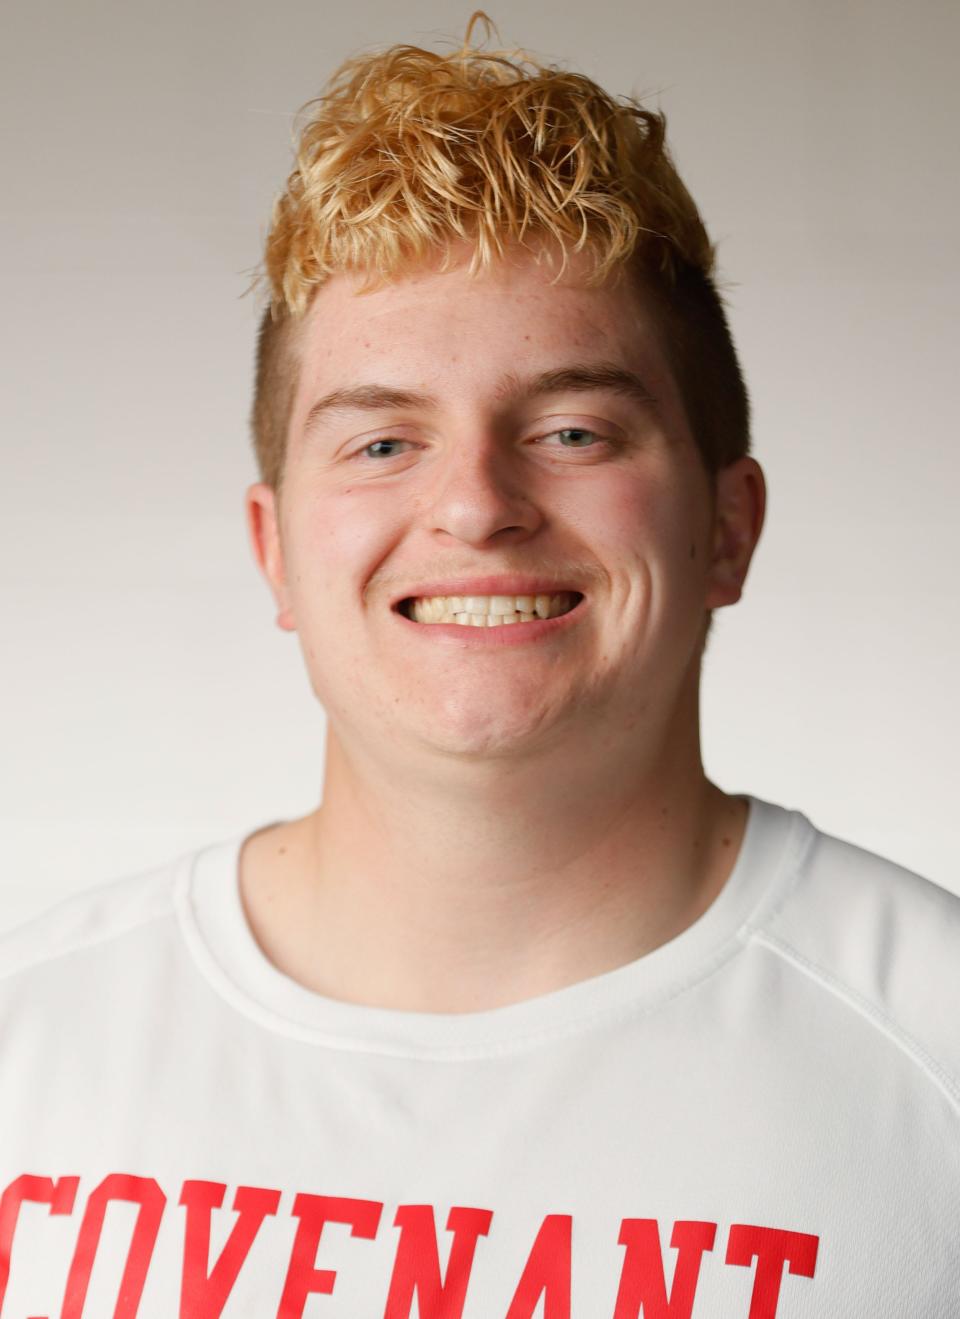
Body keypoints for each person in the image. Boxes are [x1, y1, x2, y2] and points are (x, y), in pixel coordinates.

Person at [0, 17, 957, 1318]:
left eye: (571, 429)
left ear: (727, 526)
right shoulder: (33, 1046)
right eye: (384, 443)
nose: (478, 506)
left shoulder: (932, 1047)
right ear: (275, 551)